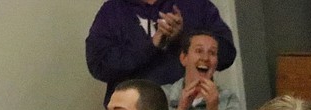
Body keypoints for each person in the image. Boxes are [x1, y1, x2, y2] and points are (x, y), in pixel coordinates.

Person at [86, 0, 237, 104]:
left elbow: (227, 54)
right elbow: (98, 65)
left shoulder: (196, 5)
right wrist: (151, 45)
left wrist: (183, 38)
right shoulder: (112, 11)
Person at [165, 31, 245, 110]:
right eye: (199, 51)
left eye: (212, 53)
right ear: (184, 58)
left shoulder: (228, 98)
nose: (205, 58)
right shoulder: (163, 95)